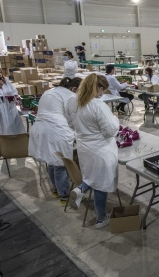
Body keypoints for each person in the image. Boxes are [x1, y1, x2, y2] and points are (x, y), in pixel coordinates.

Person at [67, 74, 119, 229]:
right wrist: (115, 117)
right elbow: (110, 130)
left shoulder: (72, 102)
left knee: (92, 177)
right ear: (98, 88)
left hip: (84, 148)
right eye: (101, 89)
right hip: (101, 150)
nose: (102, 94)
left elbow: (71, 124)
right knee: (101, 184)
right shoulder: (98, 105)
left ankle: (80, 189)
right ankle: (100, 218)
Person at [28, 77, 82, 203]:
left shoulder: (48, 92)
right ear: (74, 89)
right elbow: (73, 118)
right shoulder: (71, 96)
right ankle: (64, 194)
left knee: (51, 161)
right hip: (58, 132)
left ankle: (56, 189)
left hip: (40, 130)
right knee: (60, 165)